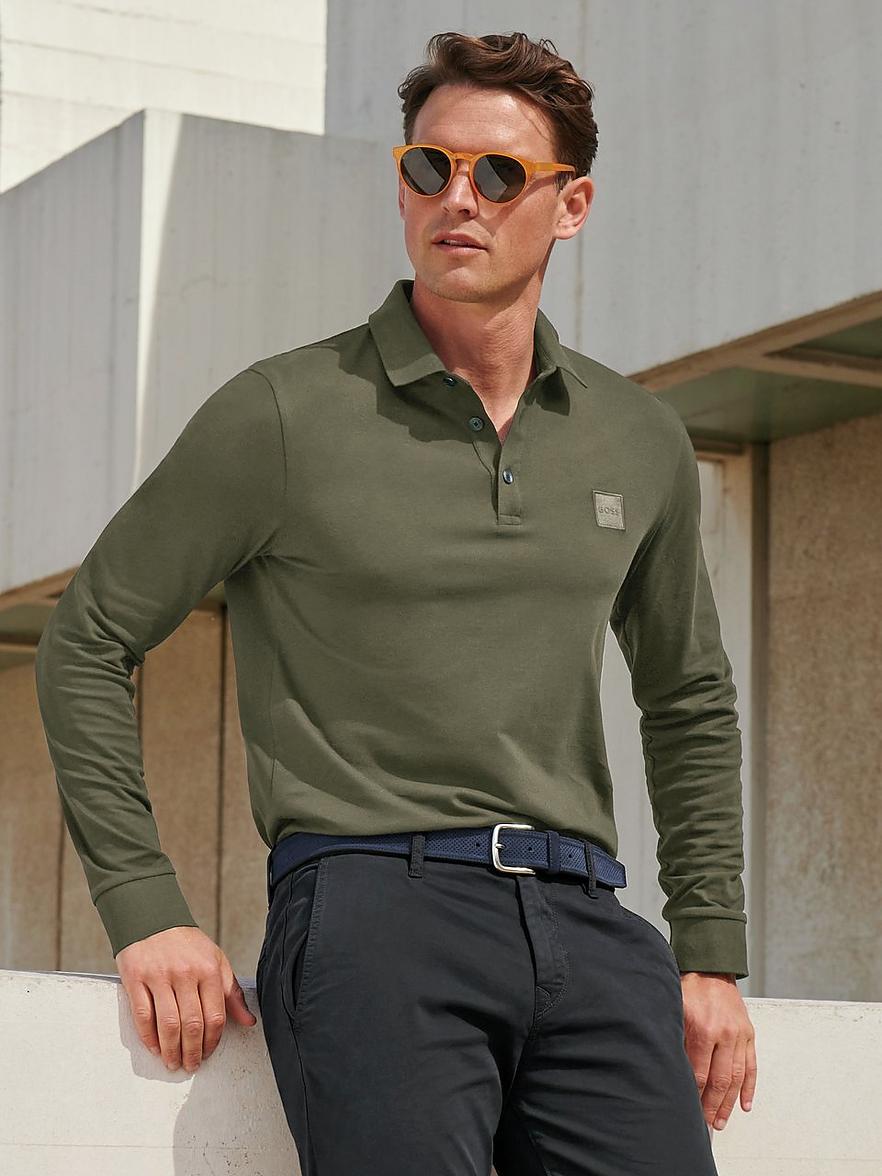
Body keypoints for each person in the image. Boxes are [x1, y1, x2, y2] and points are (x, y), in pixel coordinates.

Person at [34, 29, 757, 1176]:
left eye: (499, 174)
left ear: (571, 205)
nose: (456, 199)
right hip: (373, 909)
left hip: (588, 919)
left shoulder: (637, 436)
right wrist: (145, 904)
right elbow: (87, 639)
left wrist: (709, 947)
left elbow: (688, 698)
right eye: (430, 167)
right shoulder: (285, 412)